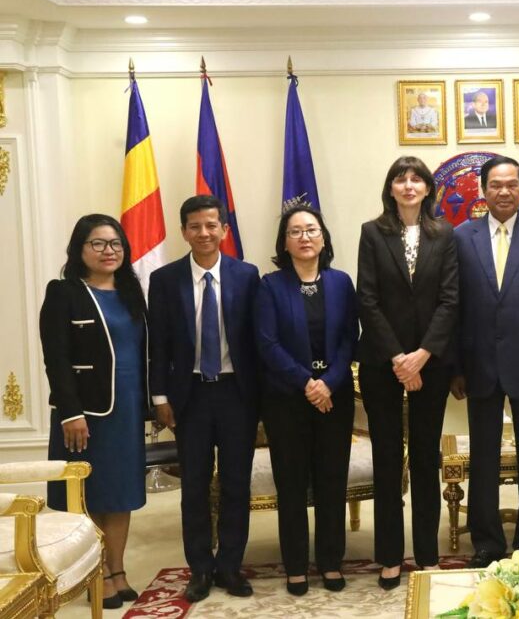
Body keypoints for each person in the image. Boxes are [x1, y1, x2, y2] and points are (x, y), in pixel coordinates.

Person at [451, 155, 519, 567]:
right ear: (483, 190)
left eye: (511, 184)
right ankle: (486, 541)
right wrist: (456, 367)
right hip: (478, 363)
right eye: (496, 185)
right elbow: (454, 307)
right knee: (484, 457)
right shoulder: (460, 237)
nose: (503, 191)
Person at [148, 195, 261, 603]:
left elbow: (256, 339)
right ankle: (199, 568)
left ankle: (230, 565)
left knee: (236, 483)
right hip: (189, 395)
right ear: (184, 232)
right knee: (193, 485)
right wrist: (160, 396)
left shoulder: (247, 275)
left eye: (212, 225)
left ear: (224, 230)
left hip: (236, 394)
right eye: (195, 226)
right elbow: (158, 343)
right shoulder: (165, 279)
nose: (204, 233)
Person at [357, 156, 459, 590]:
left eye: (417, 178)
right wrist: (400, 358)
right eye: (401, 179)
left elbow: (451, 300)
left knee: (424, 457)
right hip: (383, 362)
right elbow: (367, 299)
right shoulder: (372, 232)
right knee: (386, 459)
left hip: (431, 364)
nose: (409, 185)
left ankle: (428, 554)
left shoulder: (445, 234)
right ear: (391, 188)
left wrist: (422, 356)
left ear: (428, 188)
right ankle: (389, 556)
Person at [40, 214, 150, 609]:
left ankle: (117, 570)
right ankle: (96, 573)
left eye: (116, 244)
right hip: (86, 415)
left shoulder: (131, 293)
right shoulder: (63, 292)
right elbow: (56, 358)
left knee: (121, 494)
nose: (109, 251)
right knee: (90, 494)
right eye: (98, 243)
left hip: (127, 411)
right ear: (80, 249)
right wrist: (70, 412)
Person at [255, 206, 358, 596]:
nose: (304, 237)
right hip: (286, 399)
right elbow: (267, 343)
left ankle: (330, 562)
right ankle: (296, 566)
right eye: (295, 231)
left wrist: (328, 383)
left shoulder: (341, 282)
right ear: (284, 242)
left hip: (334, 398)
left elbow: (349, 338)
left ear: (323, 237)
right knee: (292, 484)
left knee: (332, 481)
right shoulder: (270, 285)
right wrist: (307, 383)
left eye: (311, 230)